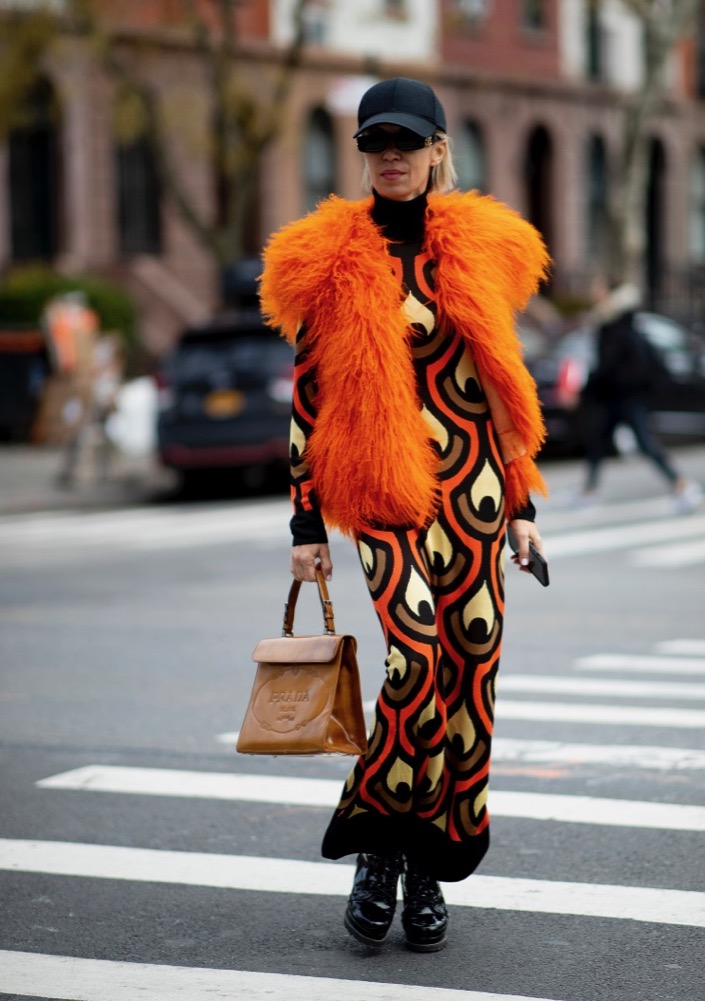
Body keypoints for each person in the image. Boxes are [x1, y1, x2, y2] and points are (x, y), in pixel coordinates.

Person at [260, 77, 549, 953]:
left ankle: (427, 859)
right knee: (412, 661)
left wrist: (524, 503)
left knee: (469, 673)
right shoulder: (329, 257)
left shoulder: (479, 249)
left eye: (406, 142)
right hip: (383, 493)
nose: (390, 157)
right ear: (363, 154)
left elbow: (500, 387)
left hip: (476, 495)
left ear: (436, 149)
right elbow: (308, 404)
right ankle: (378, 846)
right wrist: (306, 529)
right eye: (375, 144)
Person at [579, 280, 703, 513]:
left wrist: (589, 388)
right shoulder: (615, 322)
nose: (594, 294)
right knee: (597, 442)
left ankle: (682, 485)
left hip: (624, 398)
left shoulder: (615, 325)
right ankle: (589, 491)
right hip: (617, 398)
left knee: (643, 443)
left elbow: (610, 365)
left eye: (599, 290)